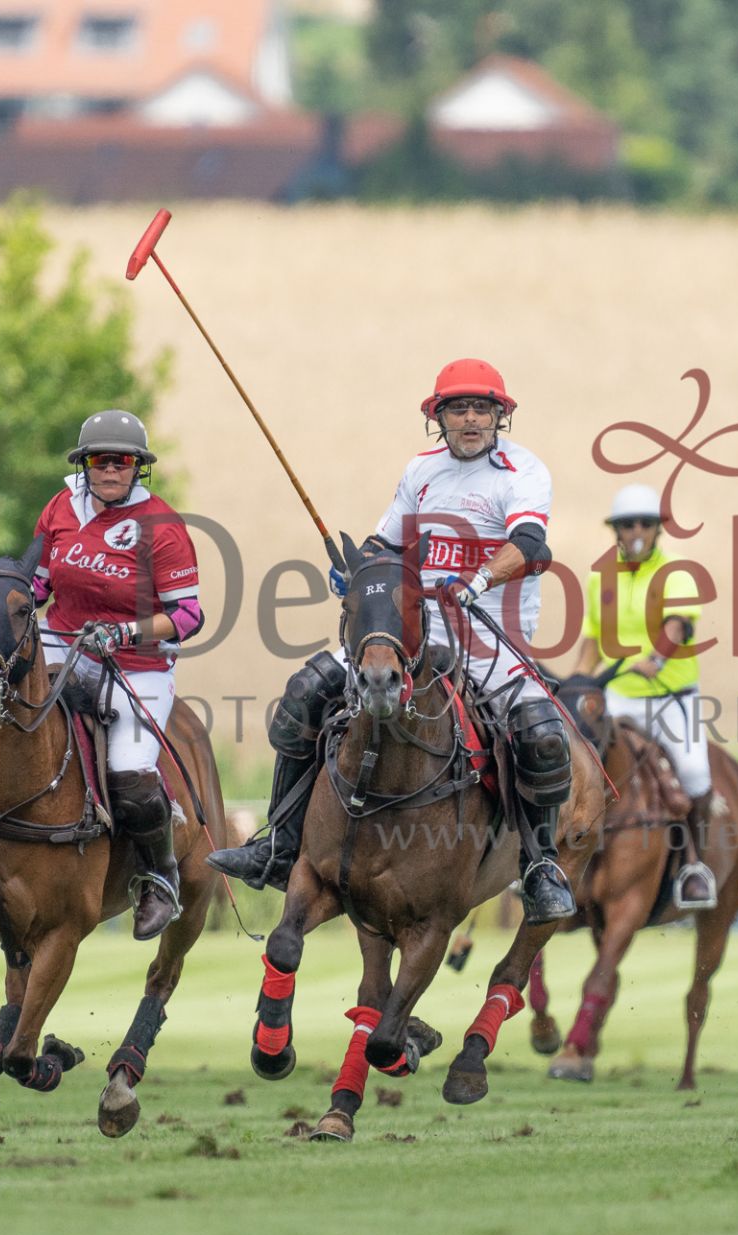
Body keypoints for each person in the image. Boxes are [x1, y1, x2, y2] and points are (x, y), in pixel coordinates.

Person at [206, 359, 578, 923]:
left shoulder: (522, 472)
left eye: (481, 408)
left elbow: (528, 542)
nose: (470, 419)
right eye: (458, 409)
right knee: (304, 693)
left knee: (542, 735)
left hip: (491, 634)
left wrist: (477, 581)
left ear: (500, 415)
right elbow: (384, 545)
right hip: (410, 631)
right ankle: (279, 844)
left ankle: (540, 864)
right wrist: (357, 573)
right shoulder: (421, 470)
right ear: (439, 418)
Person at [0, 411, 204, 940]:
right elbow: (35, 588)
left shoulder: (163, 527)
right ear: (85, 464)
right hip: (59, 640)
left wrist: (123, 632)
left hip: (136, 664)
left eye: (122, 461)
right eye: (100, 460)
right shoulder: (61, 508)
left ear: (138, 467)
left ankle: (159, 877)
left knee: (131, 772)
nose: (110, 469)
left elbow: (188, 616)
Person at [573, 484, 717, 909]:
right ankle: (549, 858)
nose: (636, 530)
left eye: (644, 523)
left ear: (657, 530)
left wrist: (656, 658)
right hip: (618, 696)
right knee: (571, 762)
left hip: (670, 696)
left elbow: (678, 626)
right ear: (616, 530)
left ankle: (694, 864)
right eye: (627, 524)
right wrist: (577, 680)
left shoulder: (677, 573)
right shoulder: (599, 579)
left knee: (695, 775)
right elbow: (592, 640)